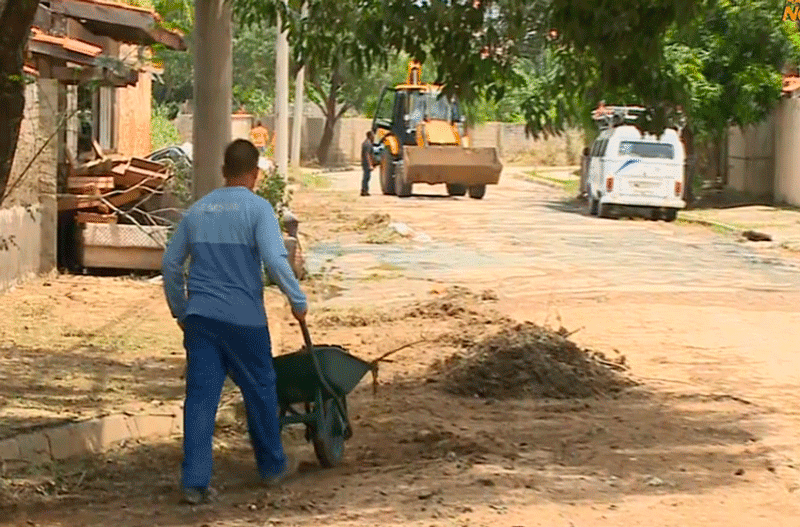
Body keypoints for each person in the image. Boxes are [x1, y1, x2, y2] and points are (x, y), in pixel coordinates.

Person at [162, 139, 307, 505]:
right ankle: (272, 468)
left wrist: (182, 311)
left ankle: (195, 482)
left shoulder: (197, 211)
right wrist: (298, 300)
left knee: (200, 400)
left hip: (202, 322)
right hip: (245, 322)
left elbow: (170, 264)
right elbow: (275, 260)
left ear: (223, 171)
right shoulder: (258, 210)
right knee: (260, 391)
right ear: (255, 174)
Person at [361, 130, 375, 196]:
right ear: (370, 136)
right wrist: (370, 165)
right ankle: (364, 190)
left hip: (364, 162)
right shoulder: (368, 144)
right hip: (366, 163)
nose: (374, 137)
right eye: (373, 135)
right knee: (366, 177)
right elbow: (367, 155)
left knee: (366, 177)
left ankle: (364, 190)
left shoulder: (365, 143)